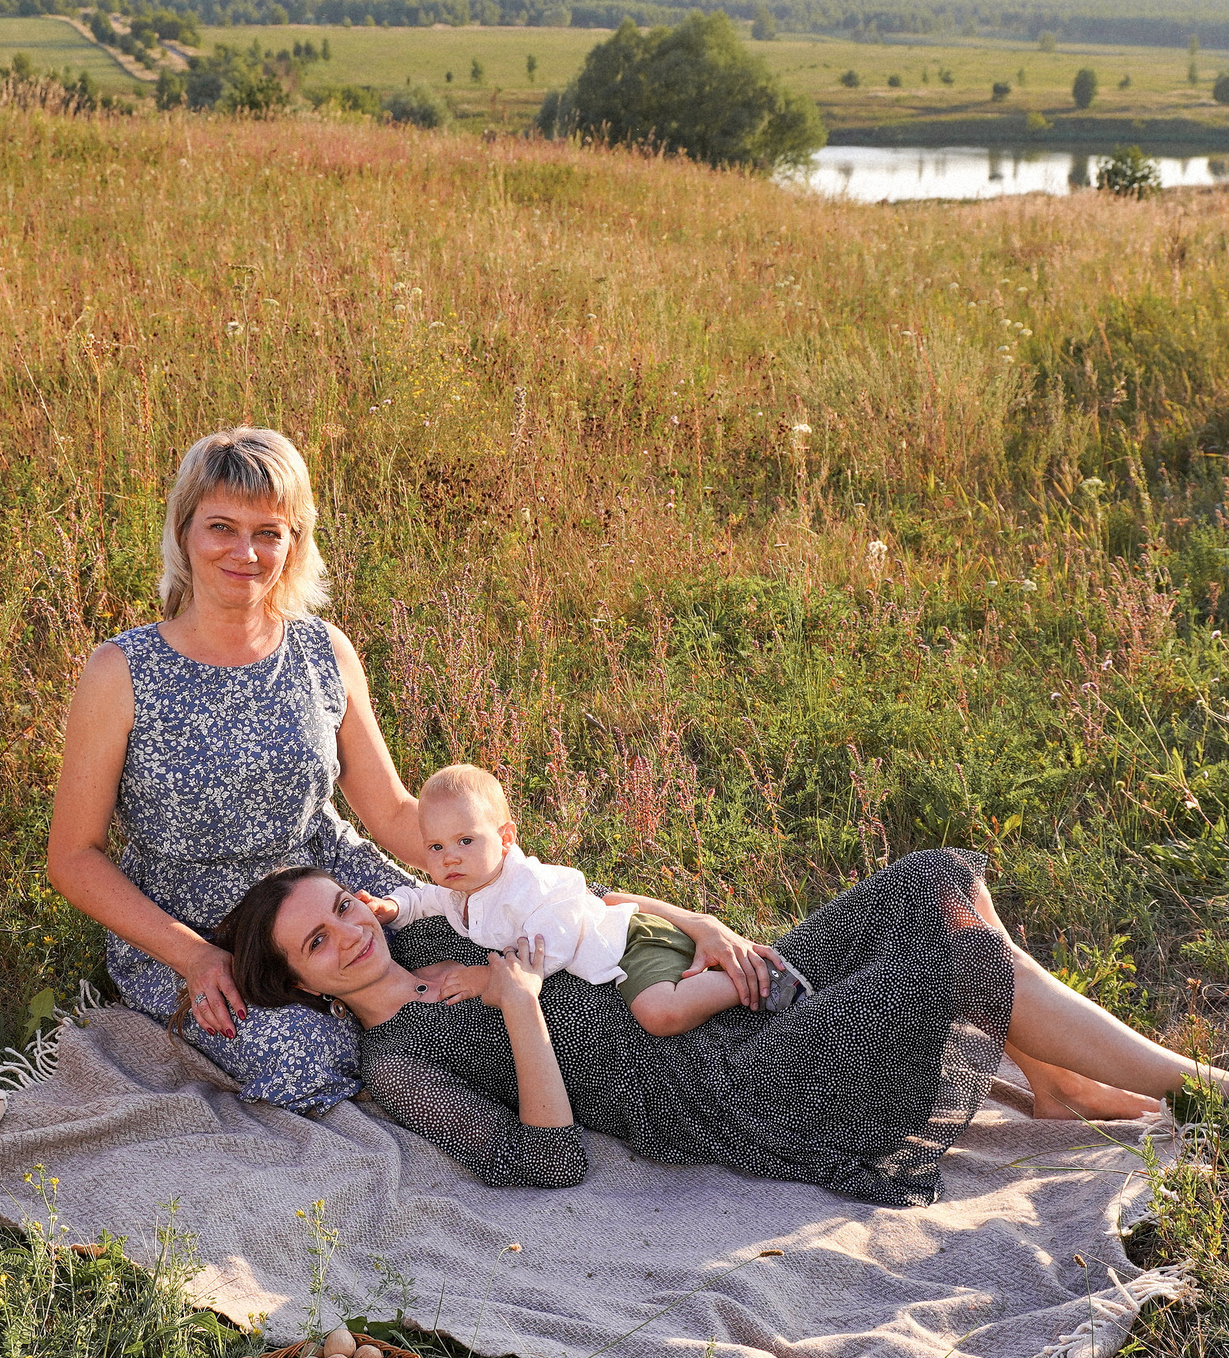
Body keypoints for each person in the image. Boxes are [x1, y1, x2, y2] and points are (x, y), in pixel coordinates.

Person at [46, 426, 782, 1107]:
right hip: (195, 923)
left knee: (507, 945)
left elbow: (398, 814)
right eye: (222, 528)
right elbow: (74, 858)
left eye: (268, 533)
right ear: (185, 530)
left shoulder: (320, 650)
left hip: (337, 894)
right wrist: (196, 957)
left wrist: (547, 883)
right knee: (310, 1059)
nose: (245, 553)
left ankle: (680, 1037)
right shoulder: (123, 669)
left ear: (294, 542)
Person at [217, 851, 1229, 1206]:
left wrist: (695, 921)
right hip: (719, 1091)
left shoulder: (437, 925)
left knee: (932, 880)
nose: (345, 937)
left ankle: (1049, 1081)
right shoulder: (395, 1064)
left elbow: (580, 904)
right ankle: (1222, 1095)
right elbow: (546, 1160)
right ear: (304, 987)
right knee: (960, 960)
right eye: (316, 945)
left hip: (712, 1006)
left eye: (337, 910)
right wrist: (519, 1014)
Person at [361, 763, 788, 1038]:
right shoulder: (464, 887)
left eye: (465, 840)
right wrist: (394, 908)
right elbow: (428, 898)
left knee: (660, 1014)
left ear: (506, 839)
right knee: (664, 1012)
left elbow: (552, 946)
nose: (449, 857)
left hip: (630, 942)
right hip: (615, 953)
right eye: (435, 847)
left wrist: (487, 979)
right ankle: (715, 982)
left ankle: (756, 979)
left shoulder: (527, 884)